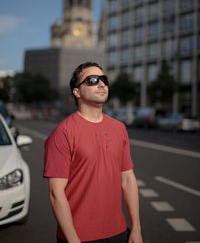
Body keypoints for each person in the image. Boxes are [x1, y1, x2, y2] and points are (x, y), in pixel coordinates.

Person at [43, 62, 143, 243]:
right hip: (79, 237)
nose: (101, 84)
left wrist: (136, 228)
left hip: (119, 233)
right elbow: (56, 193)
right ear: (77, 92)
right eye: (92, 80)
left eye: (104, 79)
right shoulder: (63, 132)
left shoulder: (119, 128)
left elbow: (128, 179)